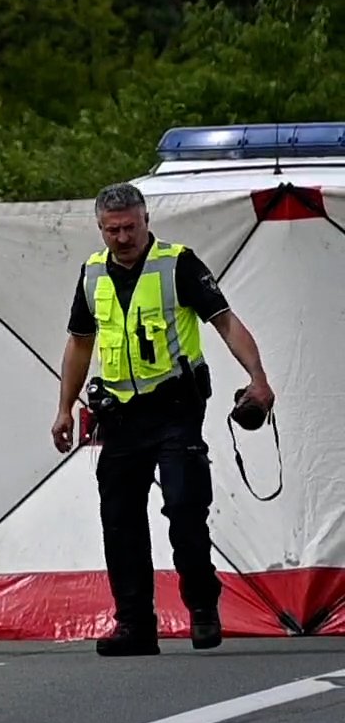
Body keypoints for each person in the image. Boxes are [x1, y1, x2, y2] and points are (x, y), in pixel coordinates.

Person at [51, 182, 274, 656]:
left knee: (185, 509)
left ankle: (201, 607)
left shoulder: (178, 264)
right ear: (100, 229)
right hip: (120, 416)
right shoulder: (92, 275)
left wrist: (257, 377)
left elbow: (225, 321)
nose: (123, 238)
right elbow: (80, 345)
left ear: (146, 220)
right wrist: (64, 408)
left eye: (130, 227)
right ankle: (135, 623)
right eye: (112, 230)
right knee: (119, 519)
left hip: (175, 408)